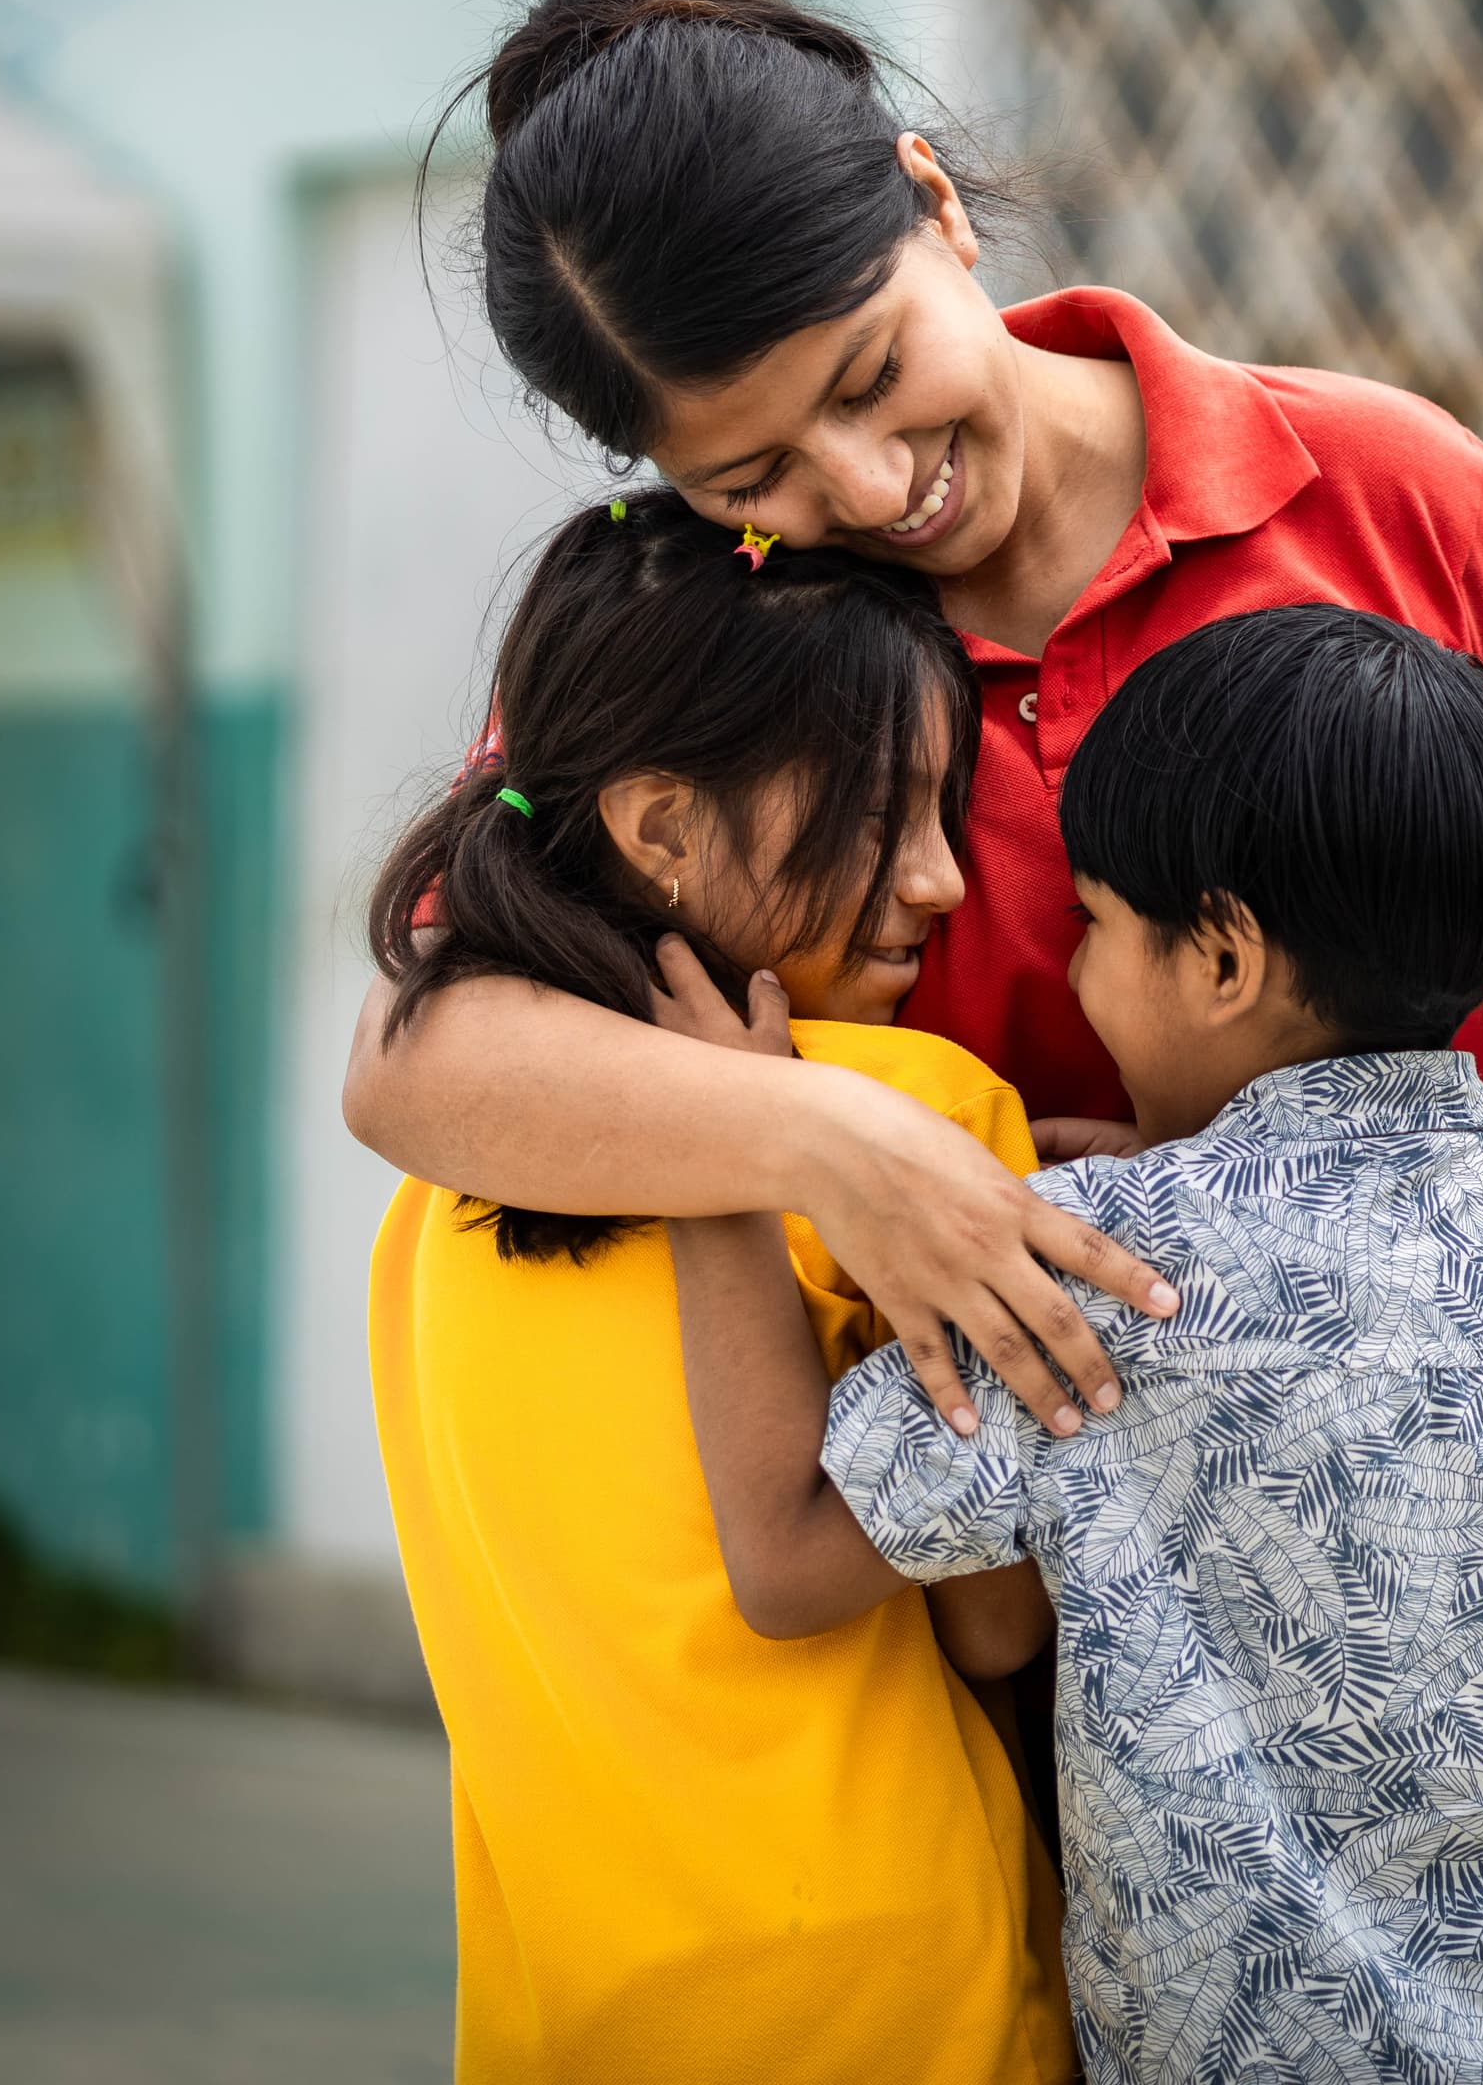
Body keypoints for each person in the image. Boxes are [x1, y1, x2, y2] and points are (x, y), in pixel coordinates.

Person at [655, 605, 1483, 2084]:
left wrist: (724, 1154)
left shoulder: (1091, 1269)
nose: (1081, 975)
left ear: (1220, 958)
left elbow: (787, 1563)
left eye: (1094, 924)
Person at [342, 0, 1483, 1441]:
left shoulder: (1375, 487)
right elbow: (420, 1060)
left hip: (1444, 1506)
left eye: (869, 376)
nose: (867, 489)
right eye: (751, 476)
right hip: (971, 1605)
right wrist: (838, 1145)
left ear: (934, 201)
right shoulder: (710, 633)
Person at [361, 499, 1072, 2085]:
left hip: (574, 2011)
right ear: (662, 826)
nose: (946, 881)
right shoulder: (915, 1119)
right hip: (897, 1992)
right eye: (885, 817)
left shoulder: (431, 1198)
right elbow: (999, 1620)